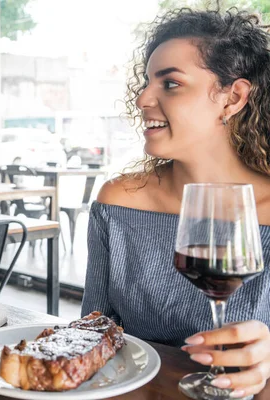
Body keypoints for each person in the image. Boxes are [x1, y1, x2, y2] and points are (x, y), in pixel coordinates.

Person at [81, 8, 270, 398]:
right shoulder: (117, 201)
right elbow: (92, 330)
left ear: (232, 97)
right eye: (147, 82)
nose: (142, 98)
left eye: (170, 84)